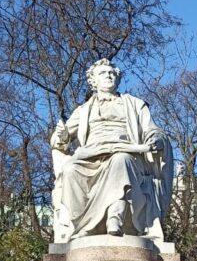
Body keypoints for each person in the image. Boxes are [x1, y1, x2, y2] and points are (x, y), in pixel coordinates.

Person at [50, 58, 173, 240]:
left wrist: (156, 139)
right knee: (70, 170)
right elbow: (59, 140)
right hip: (91, 155)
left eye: (111, 73)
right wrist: (61, 135)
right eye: (102, 73)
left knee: (120, 160)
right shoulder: (83, 110)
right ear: (93, 81)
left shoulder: (134, 104)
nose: (108, 76)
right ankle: (83, 225)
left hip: (126, 152)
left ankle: (114, 219)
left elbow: (152, 129)